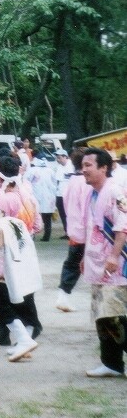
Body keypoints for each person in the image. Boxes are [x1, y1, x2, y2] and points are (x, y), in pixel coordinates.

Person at [80, 147, 127, 378]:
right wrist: (83, 257)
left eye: (89, 165)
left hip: (115, 265)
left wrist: (114, 256)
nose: (84, 170)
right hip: (98, 265)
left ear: (103, 168)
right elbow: (92, 229)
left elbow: (122, 227)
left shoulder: (115, 191)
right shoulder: (93, 194)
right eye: (83, 165)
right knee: (102, 313)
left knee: (115, 315)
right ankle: (111, 363)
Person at [0, 154, 43, 351]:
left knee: (0, 302)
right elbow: (38, 225)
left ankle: (23, 338)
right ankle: (25, 336)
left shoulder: (4, 199)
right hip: (25, 252)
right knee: (21, 297)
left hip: (7, 256)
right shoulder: (27, 195)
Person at [56, 147, 89, 311]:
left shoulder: (71, 182)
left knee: (72, 264)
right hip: (87, 232)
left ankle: (63, 295)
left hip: (75, 230)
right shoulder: (86, 183)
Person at [27, 150, 57, 241]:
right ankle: (47, 236)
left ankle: (33, 234)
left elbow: (26, 182)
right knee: (47, 218)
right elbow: (55, 184)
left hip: (36, 196)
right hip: (49, 197)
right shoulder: (50, 170)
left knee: (33, 216)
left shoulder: (32, 170)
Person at [53, 148, 74, 236]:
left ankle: (71, 232)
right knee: (62, 214)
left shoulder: (71, 166)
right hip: (59, 194)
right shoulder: (59, 167)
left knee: (69, 214)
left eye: (59, 157)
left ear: (65, 157)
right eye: (57, 158)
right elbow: (57, 180)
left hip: (69, 195)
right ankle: (66, 232)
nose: (58, 159)